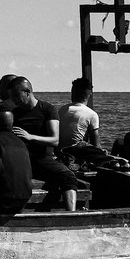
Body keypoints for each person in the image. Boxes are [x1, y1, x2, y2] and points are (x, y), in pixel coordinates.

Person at [8, 76, 80, 211]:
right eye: (12, 98)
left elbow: (54, 140)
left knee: (68, 177)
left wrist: (30, 137)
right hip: (21, 160)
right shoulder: (15, 113)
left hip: (42, 160)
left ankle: (71, 214)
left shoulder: (47, 109)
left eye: (17, 97)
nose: (15, 101)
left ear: (28, 92)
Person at [58, 76, 100, 150]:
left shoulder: (62, 109)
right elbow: (96, 145)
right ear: (90, 94)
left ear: (73, 92)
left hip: (60, 152)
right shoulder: (92, 115)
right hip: (77, 153)